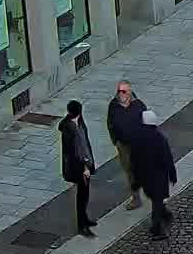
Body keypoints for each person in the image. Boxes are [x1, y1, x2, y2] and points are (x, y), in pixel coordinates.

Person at [129, 109, 178, 239]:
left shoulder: (137, 139)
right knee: (158, 200)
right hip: (159, 176)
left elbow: (134, 162)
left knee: (155, 199)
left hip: (145, 177)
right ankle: (159, 227)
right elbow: (167, 158)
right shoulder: (159, 138)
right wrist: (172, 174)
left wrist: (136, 181)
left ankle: (162, 218)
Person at [105, 80, 148, 211]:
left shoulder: (138, 105)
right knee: (129, 171)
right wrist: (115, 141)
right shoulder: (113, 106)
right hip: (123, 145)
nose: (121, 94)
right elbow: (110, 123)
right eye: (119, 91)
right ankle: (136, 198)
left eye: (124, 91)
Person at [57, 101, 96, 238]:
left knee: (84, 195)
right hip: (79, 168)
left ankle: (84, 219)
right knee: (82, 196)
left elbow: (84, 144)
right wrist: (84, 167)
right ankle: (82, 225)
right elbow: (75, 152)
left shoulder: (78, 123)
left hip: (85, 164)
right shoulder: (70, 128)